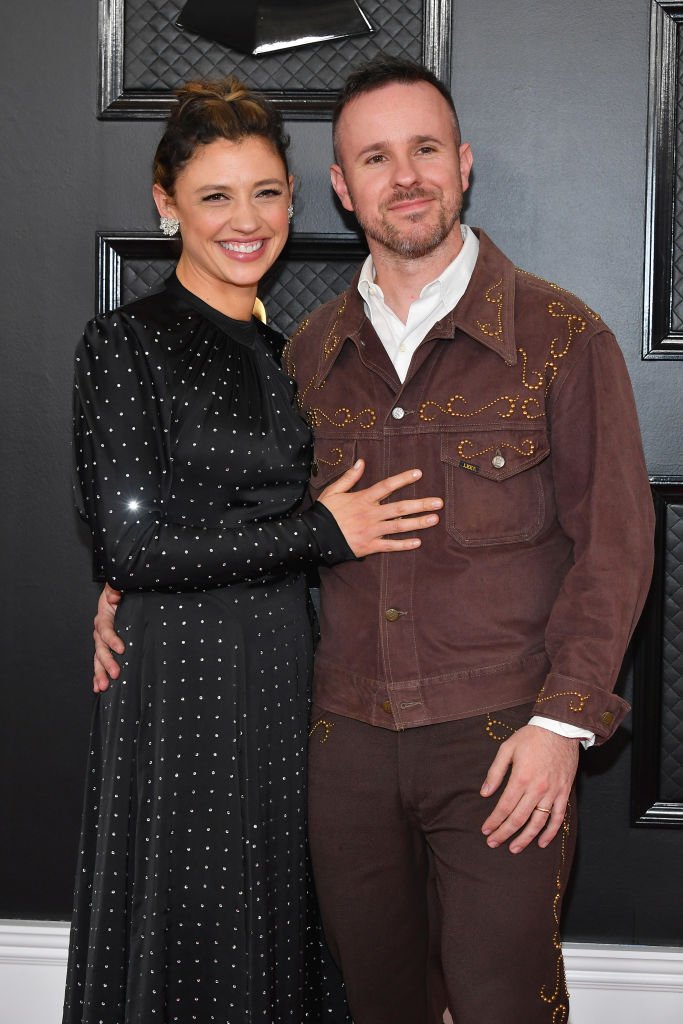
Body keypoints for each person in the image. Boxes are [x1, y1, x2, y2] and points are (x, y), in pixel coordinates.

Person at [93, 58, 655, 1024]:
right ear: (345, 190)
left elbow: (615, 547)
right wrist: (125, 590)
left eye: (425, 149)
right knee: (369, 1005)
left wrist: (562, 727)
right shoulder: (304, 354)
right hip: (337, 747)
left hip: (500, 743)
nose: (406, 177)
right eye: (375, 158)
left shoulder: (563, 337)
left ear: (463, 164)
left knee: (499, 1006)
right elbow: (237, 516)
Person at [63, 75, 444, 1024]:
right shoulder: (125, 341)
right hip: (183, 678)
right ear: (166, 205)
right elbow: (130, 542)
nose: (248, 220)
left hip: (289, 666)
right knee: (197, 919)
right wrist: (321, 534)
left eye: (267, 192)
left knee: (284, 913)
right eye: (216, 196)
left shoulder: (296, 353)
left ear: (293, 197)